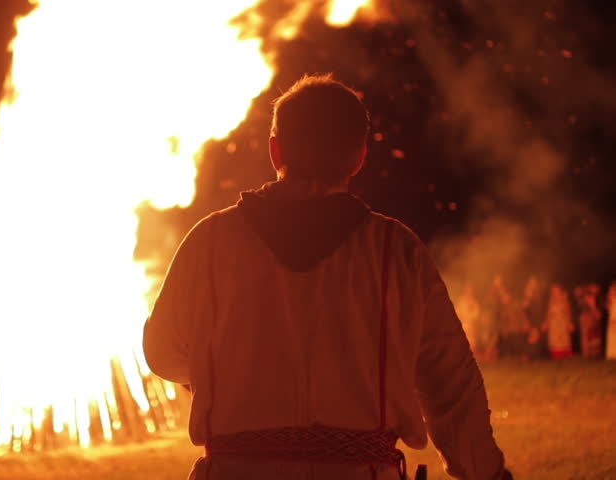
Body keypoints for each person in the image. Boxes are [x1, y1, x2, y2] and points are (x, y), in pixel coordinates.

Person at [144, 74, 510, 480]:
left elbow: (162, 351)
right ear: (358, 157)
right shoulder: (396, 252)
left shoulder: (209, 242)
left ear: (274, 150)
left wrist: (222, 374)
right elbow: (452, 387)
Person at [543, 284, 573, 359]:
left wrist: (569, 322)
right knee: (554, 338)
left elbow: (568, 311)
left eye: (556, 290)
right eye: (553, 290)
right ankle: (556, 355)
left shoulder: (564, 298)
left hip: (562, 321)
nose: (555, 291)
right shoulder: (551, 299)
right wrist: (546, 322)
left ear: (560, 290)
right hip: (553, 322)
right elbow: (549, 312)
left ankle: (565, 354)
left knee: (563, 338)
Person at [575, 284, 603, 358]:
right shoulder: (583, 299)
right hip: (586, 318)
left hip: (593, 318)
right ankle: (587, 353)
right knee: (585, 337)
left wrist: (592, 306)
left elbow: (597, 312)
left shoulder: (598, 298)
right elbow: (581, 308)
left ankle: (595, 353)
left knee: (594, 336)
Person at [606, 282, 616, 360]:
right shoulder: (611, 299)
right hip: (612, 318)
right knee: (612, 335)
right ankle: (612, 353)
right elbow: (609, 309)